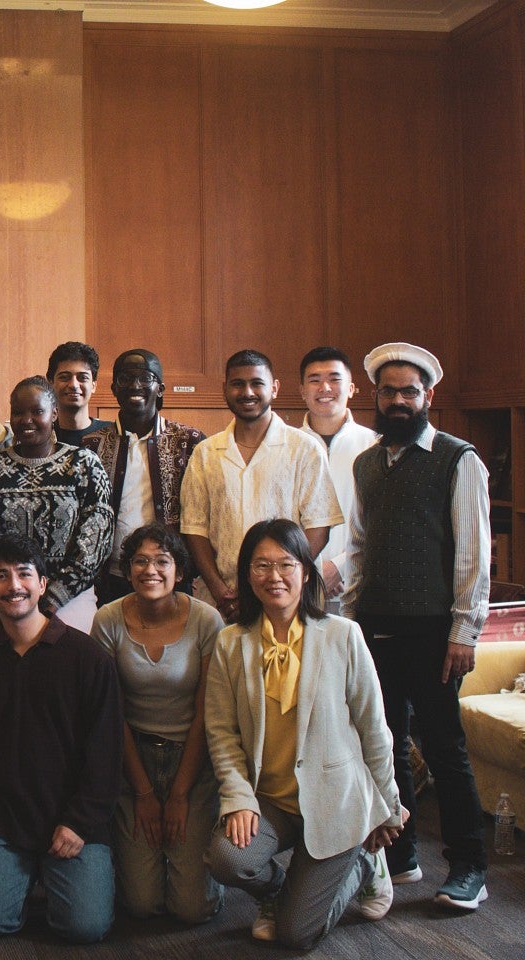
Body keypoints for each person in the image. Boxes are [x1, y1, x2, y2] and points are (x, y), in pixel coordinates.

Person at [205, 519, 404, 947]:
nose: (273, 576)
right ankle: (280, 891)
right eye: (260, 566)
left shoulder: (342, 635)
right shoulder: (230, 643)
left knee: (296, 935)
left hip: (336, 799)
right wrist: (238, 798)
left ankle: (364, 866)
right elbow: (222, 734)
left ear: (307, 572)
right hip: (272, 801)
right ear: (247, 574)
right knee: (227, 858)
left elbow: (374, 728)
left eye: (286, 564)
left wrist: (386, 807)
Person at [343, 342, 491, 909]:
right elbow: (356, 549)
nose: (399, 400)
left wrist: (464, 631)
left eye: (410, 392)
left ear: (429, 396)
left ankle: (469, 868)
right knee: (386, 744)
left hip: (435, 631)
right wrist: (348, 623)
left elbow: (474, 556)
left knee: (446, 747)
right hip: (374, 625)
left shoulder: (459, 459)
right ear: (376, 397)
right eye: (389, 392)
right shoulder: (365, 463)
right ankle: (399, 856)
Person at [0, 535, 120, 943]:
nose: (14, 585)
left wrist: (79, 822)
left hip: (71, 818)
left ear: (43, 584)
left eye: (24, 574)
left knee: (85, 928)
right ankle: (24, 877)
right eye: (0, 576)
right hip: (1, 819)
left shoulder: (88, 658)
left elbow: (106, 752)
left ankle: (51, 877)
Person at [91, 523, 223, 924]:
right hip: (134, 761)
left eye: (162, 561)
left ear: (179, 571)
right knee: (141, 904)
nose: (151, 570)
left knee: (190, 909)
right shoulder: (108, 620)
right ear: (128, 569)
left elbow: (206, 713)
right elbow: (111, 714)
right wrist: (146, 793)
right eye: (140, 561)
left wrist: (180, 793)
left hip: (193, 760)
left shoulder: (206, 620)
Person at [181, 350, 340, 622]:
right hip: (223, 604)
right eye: (237, 384)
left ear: (275, 388)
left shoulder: (304, 449)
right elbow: (195, 530)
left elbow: (318, 528)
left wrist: (270, 587)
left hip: (288, 599)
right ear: (225, 389)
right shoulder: (206, 453)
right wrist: (222, 592)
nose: (247, 392)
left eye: (257, 383)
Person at [0, 376, 113, 625]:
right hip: (5, 600)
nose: (26, 420)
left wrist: (55, 597)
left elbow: (96, 538)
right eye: (18, 412)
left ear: (55, 413)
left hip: (70, 602)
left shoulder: (83, 463)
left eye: (37, 411)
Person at [81, 349, 205, 605]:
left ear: (160, 388)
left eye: (145, 378)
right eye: (125, 378)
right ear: (114, 388)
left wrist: (194, 570)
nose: (135, 386)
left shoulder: (188, 442)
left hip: (171, 578)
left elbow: (205, 513)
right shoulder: (90, 447)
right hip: (111, 578)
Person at [297, 346, 377, 614]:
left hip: (358, 584)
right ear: (302, 391)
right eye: (315, 380)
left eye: (334, 379)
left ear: (352, 388)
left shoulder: (375, 446)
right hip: (298, 584)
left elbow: (378, 519)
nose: (325, 388)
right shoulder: (285, 445)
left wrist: (340, 567)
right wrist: (313, 568)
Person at [48, 342, 109, 447]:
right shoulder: (40, 436)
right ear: (51, 383)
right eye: (64, 377)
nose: (74, 385)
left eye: (83, 378)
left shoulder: (112, 435)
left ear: (93, 386)